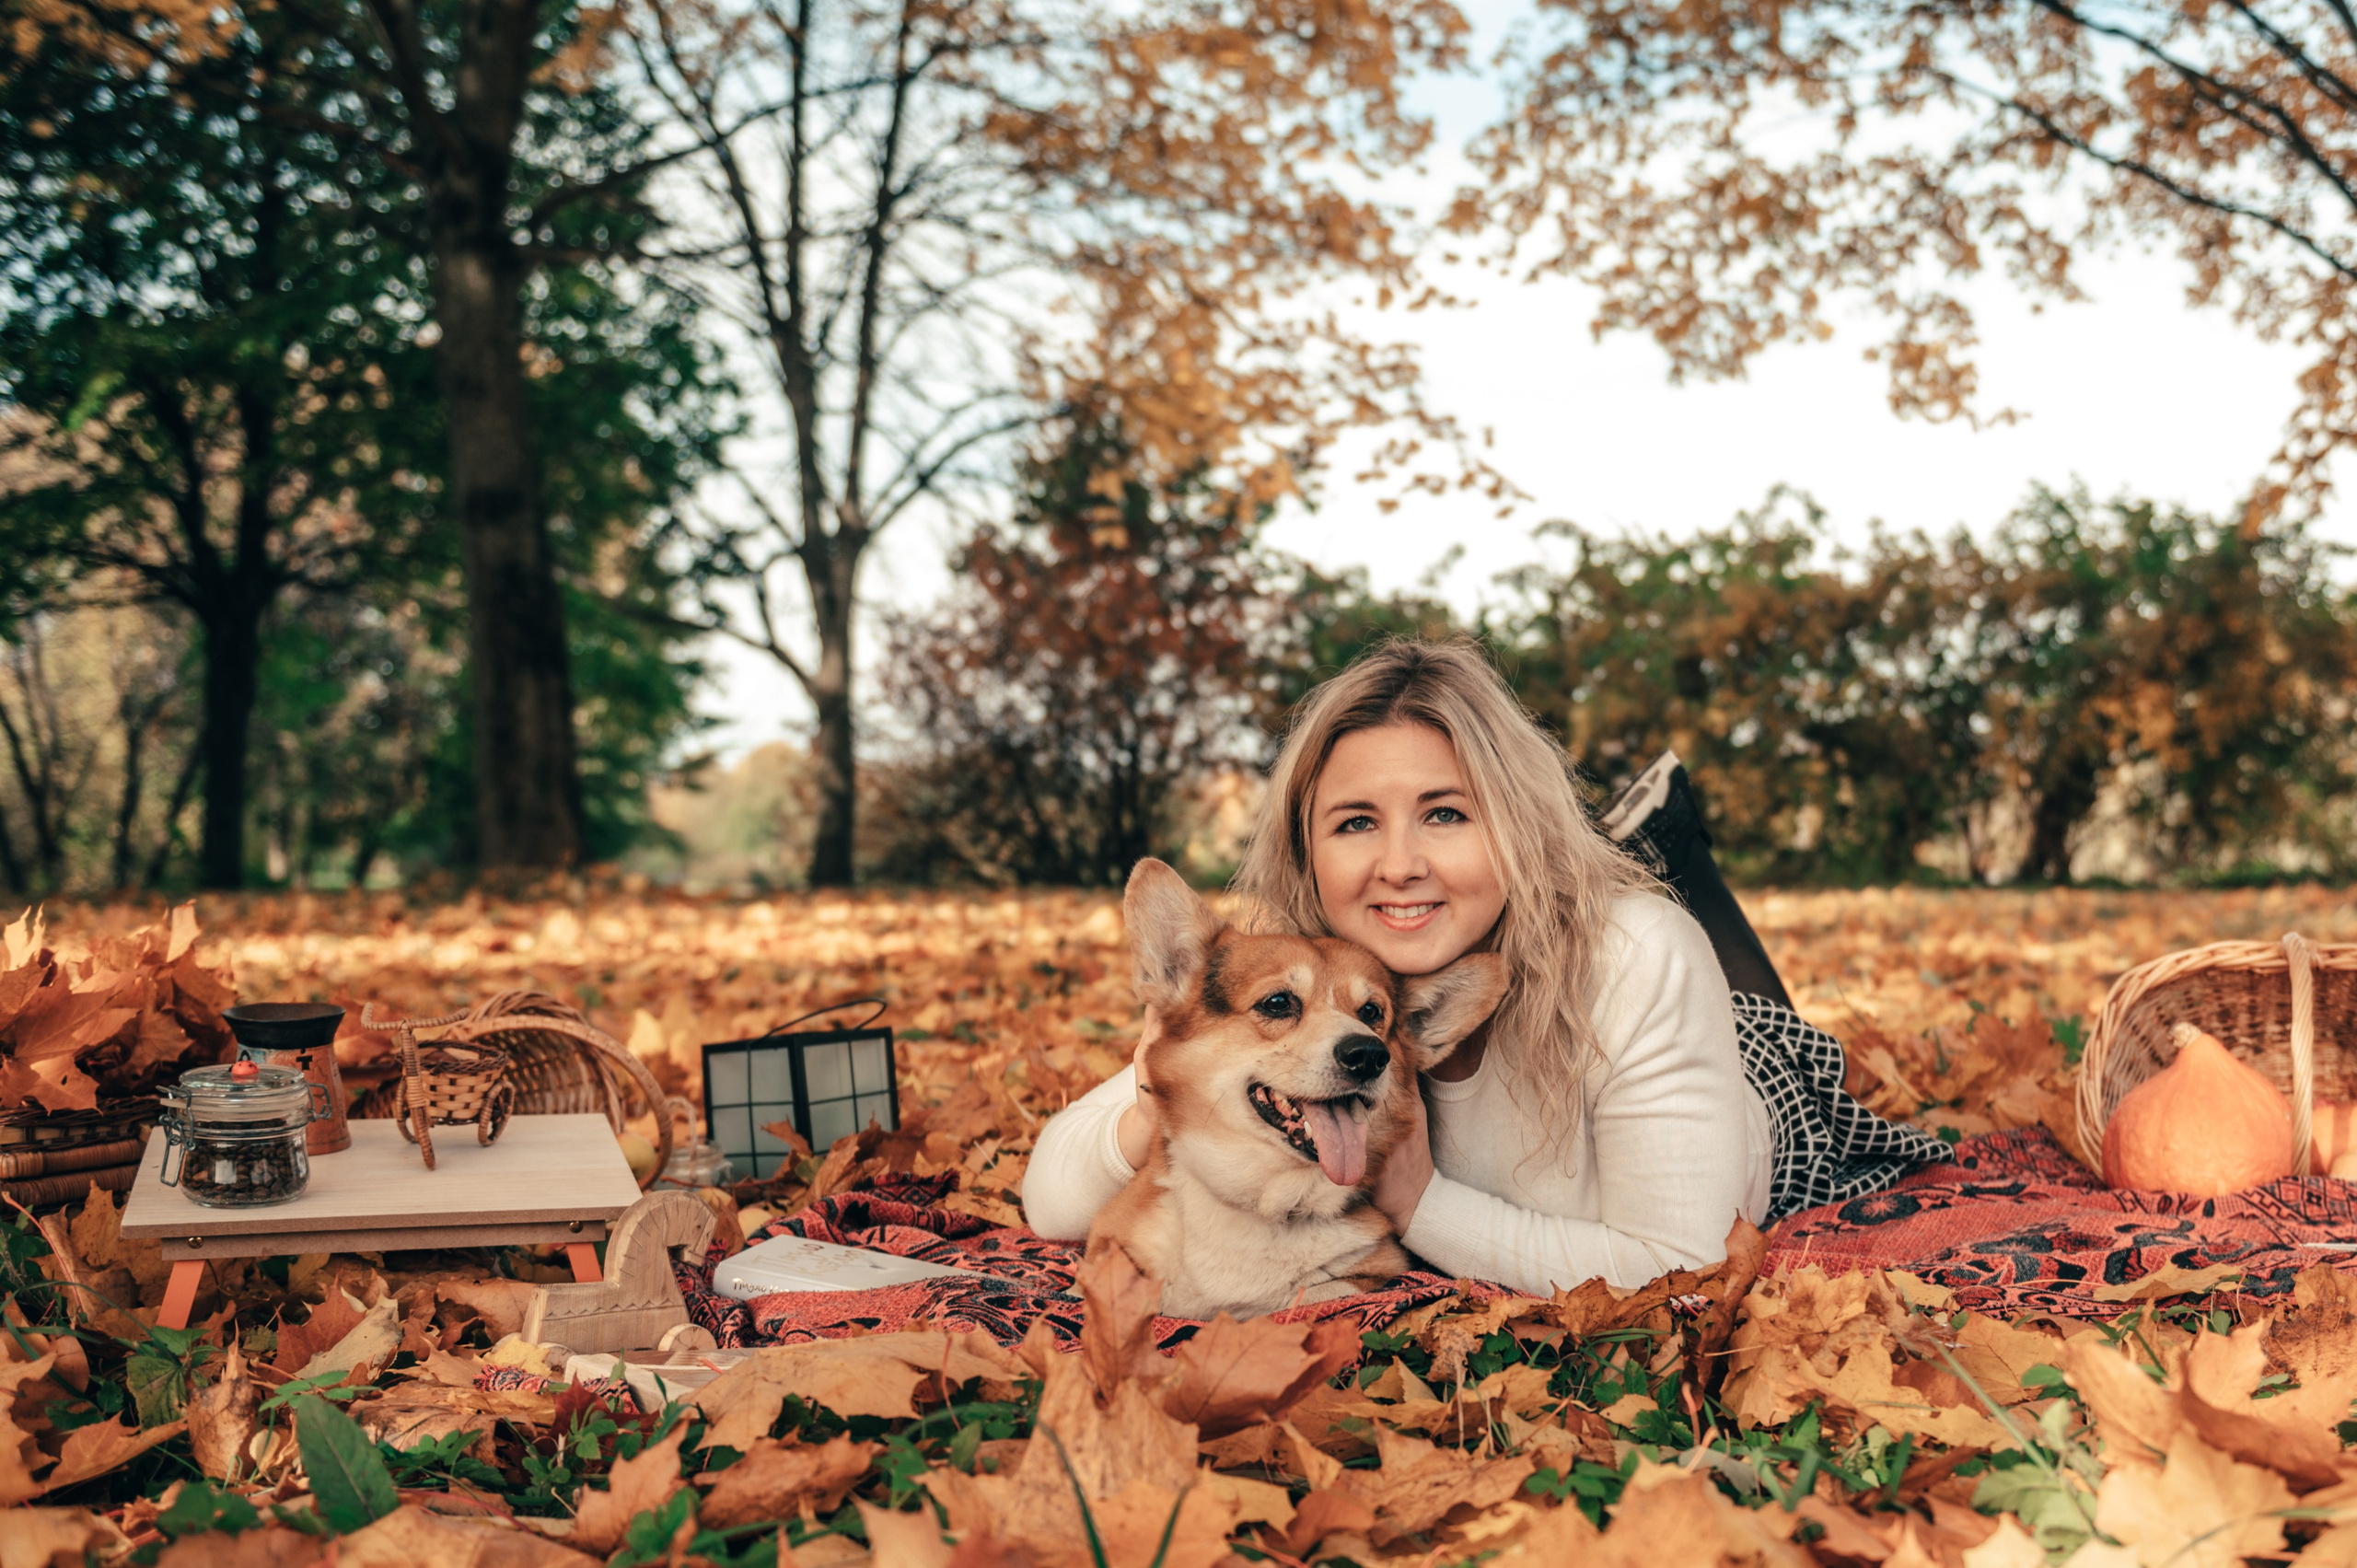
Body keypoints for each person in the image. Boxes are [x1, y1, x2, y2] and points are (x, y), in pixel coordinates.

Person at [1019, 638, 1947, 1295]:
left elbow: (1680, 1261)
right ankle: (1630, 837)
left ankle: (1659, 845)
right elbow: (1052, 1192)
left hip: (1748, 1083)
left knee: (1693, 946)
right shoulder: (1306, 991)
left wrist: (1419, 1201)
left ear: (1511, 823)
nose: (1398, 862)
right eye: (1354, 822)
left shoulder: (1636, 959)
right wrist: (1155, 1101)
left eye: (1445, 812)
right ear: (1305, 854)